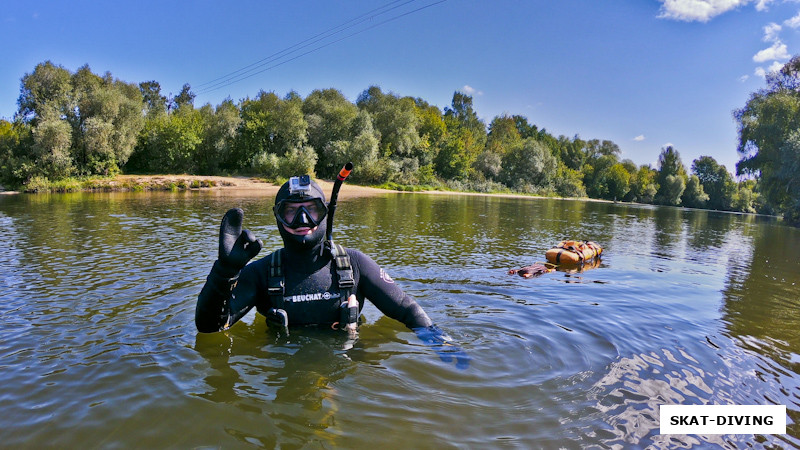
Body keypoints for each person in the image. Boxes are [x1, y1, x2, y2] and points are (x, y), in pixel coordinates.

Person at [195, 175, 468, 369]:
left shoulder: (354, 264)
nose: (303, 221)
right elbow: (209, 328)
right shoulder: (261, 272)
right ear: (278, 217)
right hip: (282, 372)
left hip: (344, 369)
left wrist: (438, 339)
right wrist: (224, 272)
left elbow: (406, 308)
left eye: (311, 210)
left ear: (325, 213)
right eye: (290, 212)